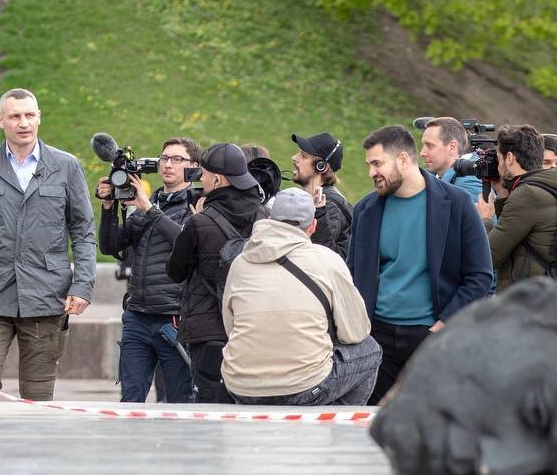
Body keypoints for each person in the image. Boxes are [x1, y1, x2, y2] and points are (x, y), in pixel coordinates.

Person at [0, 88, 96, 401]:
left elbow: (83, 231)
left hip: (46, 294)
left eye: (29, 115)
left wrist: (82, 286)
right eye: (15, 116)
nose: (23, 122)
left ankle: (34, 451)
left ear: (39, 117)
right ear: (1, 121)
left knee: (38, 396)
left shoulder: (66, 167)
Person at [349, 125, 492, 404]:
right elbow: (353, 273)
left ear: (403, 159)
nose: (371, 173)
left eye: (377, 163)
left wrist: (442, 324)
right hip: (377, 340)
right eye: (369, 165)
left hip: (430, 338)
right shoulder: (365, 210)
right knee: (370, 428)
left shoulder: (456, 202)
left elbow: (479, 275)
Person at [223, 187, 381, 405]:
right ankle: (336, 426)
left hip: (241, 385)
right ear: (313, 226)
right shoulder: (328, 261)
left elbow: (230, 326)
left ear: (270, 219)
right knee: (370, 349)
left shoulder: (241, 262)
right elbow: (355, 332)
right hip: (304, 385)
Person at [98, 137, 199, 403]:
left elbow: (186, 244)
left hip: (174, 318)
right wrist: (109, 207)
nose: (168, 165)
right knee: (130, 399)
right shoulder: (147, 201)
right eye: (164, 158)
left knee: (179, 400)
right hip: (137, 316)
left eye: (177, 159)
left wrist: (149, 209)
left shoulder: (197, 204)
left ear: (193, 167)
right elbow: (110, 246)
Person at [166, 142, 264, 403]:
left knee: (210, 410)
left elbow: (175, 271)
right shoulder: (264, 216)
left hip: (209, 332)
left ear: (217, 179)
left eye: (205, 174)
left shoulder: (200, 222)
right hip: (252, 329)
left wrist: (194, 222)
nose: (202, 179)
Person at [476, 124, 557, 289]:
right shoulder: (552, 187)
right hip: (553, 292)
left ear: (509, 158)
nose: (498, 164)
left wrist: (486, 219)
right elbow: (517, 234)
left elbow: (487, 258)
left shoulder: (528, 195)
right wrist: (502, 195)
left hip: (529, 299)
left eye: (500, 159)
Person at [291, 132, 352, 257]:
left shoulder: (330, 207)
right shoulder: (309, 199)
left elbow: (322, 255)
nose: (294, 158)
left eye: (303, 155)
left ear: (321, 167)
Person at [418, 117, 482, 201]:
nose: (422, 153)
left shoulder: (466, 183)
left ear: (452, 147)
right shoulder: (442, 177)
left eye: (430, 146)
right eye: (423, 146)